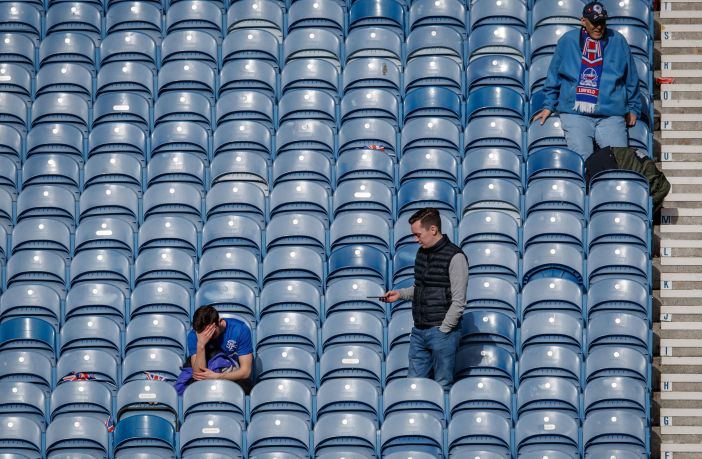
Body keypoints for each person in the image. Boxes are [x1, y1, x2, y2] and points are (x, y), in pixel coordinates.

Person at [533, 1, 641, 161]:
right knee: (582, 162)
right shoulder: (568, 41)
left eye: (602, 22)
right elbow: (554, 76)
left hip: (610, 113)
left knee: (619, 162)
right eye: (594, 23)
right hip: (575, 113)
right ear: (583, 21)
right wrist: (548, 105)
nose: (599, 27)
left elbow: (631, 77)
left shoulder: (617, 40)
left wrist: (634, 107)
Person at [383, 208, 468, 390]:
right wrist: (400, 294)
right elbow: (421, 288)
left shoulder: (456, 257)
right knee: (414, 386)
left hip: (442, 332)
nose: (416, 239)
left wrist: (444, 329)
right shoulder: (422, 253)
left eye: (418, 235)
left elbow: (459, 300)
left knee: (442, 386)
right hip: (419, 331)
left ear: (433, 230)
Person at [176, 305, 253, 394]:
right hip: (206, 377)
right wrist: (201, 345)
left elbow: (245, 372)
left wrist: (218, 376)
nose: (208, 336)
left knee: (244, 389)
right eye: (203, 333)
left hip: (231, 375)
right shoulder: (195, 335)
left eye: (211, 333)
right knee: (191, 390)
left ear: (219, 321)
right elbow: (199, 375)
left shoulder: (240, 329)